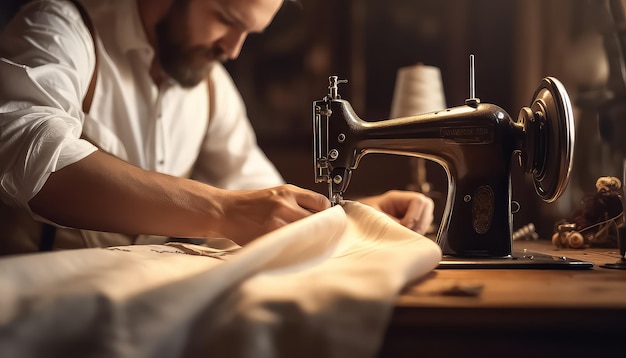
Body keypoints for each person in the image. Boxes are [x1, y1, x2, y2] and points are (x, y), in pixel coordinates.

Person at [0, 0, 434, 255]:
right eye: (227, 18)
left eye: (250, 32)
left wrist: (360, 214)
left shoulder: (211, 86)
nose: (233, 49)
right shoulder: (59, 29)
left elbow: (265, 201)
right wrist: (223, 211)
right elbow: (32, 157)